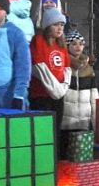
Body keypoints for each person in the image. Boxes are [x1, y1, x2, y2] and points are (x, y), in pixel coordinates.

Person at [29, 8, 70, 154]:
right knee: (42, 132)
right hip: (41, 95)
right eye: (56, 24)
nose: (60, 28)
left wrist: (62, 88)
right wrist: (55, 89)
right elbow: (39, 67)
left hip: (58, 96)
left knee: (55, 131)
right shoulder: (38, 40)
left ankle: (54, 163)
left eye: (62, 25)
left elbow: (66, 68)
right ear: (47, 26)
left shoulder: (61, 45)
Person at [61, 30, 98, 132]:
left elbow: (94, 97)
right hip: (65, 119)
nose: (78, 46)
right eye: (74, 44)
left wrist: (95, 121)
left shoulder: (89, 69)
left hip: (84, 120)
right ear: (67, 46)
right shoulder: (64, 66)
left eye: (81, 44)